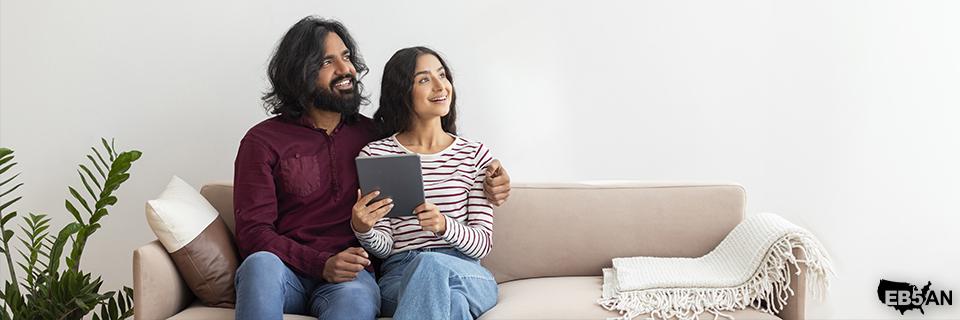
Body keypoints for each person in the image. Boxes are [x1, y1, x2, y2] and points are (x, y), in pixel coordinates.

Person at [232, 17, 511, 320]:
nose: (346, 69)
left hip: (354, 277)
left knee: (376, 295)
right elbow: (253, 233)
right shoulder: (263, 141)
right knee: (259, 265)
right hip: (288, 273)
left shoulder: (373, 136)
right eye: (327, 61)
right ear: (300, 72)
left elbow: (430, 140)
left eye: (347, 57)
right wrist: (322, 262)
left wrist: (495, 182)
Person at [352, 46, 499, 320]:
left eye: (442, 75)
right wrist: (363, 228)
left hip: (465, 270)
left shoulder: (475, 155)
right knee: (453, 303)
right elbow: (385, 246)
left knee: (430, 264)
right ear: (402, 92)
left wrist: (444, 225)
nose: (440, 86)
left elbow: (482, 244)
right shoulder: (377, 155)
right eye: (424, 79)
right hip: (400, 274)